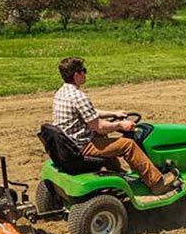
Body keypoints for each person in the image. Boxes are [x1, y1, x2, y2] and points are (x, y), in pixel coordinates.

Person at [53, 57, 178, 195]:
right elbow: (99, 126)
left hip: (68, 143)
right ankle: (157, 182)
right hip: (80, 146)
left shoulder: (61, 92)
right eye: (84, 70)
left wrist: (113, 113)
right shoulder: (78, 96)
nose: (85, 74)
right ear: (77, 75)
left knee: (102, 135)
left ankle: (117, 172)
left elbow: (90, 114)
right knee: (128, 145)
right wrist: (121, 125)